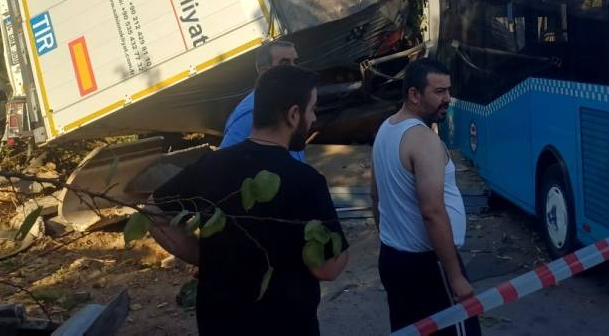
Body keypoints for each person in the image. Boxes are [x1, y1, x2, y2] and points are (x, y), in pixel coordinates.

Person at [149, 65, 348, 336]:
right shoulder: (306, 182)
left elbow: (152, 211)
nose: (313, 118)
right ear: (293, 114)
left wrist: (202, 256)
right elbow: (327, 269)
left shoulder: (210, 165)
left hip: (219, 324)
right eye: (312, 109)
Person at [371, 58, 481, 336]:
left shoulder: (385, 129)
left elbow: (375, 195)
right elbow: (432, 211)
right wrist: (455, 276)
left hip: (393, 259)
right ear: (414, 94)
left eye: (448, 90)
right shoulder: (424, 140)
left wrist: (392, 237)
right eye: (439, 92)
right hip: (428, 266)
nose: (448, 99)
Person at [221, 40, 305, 160]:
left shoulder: (288, 102)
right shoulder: (251, 113)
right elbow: (224, 162)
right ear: (264, 71)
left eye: (295, 62)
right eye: (285, 63)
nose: (295, 69)